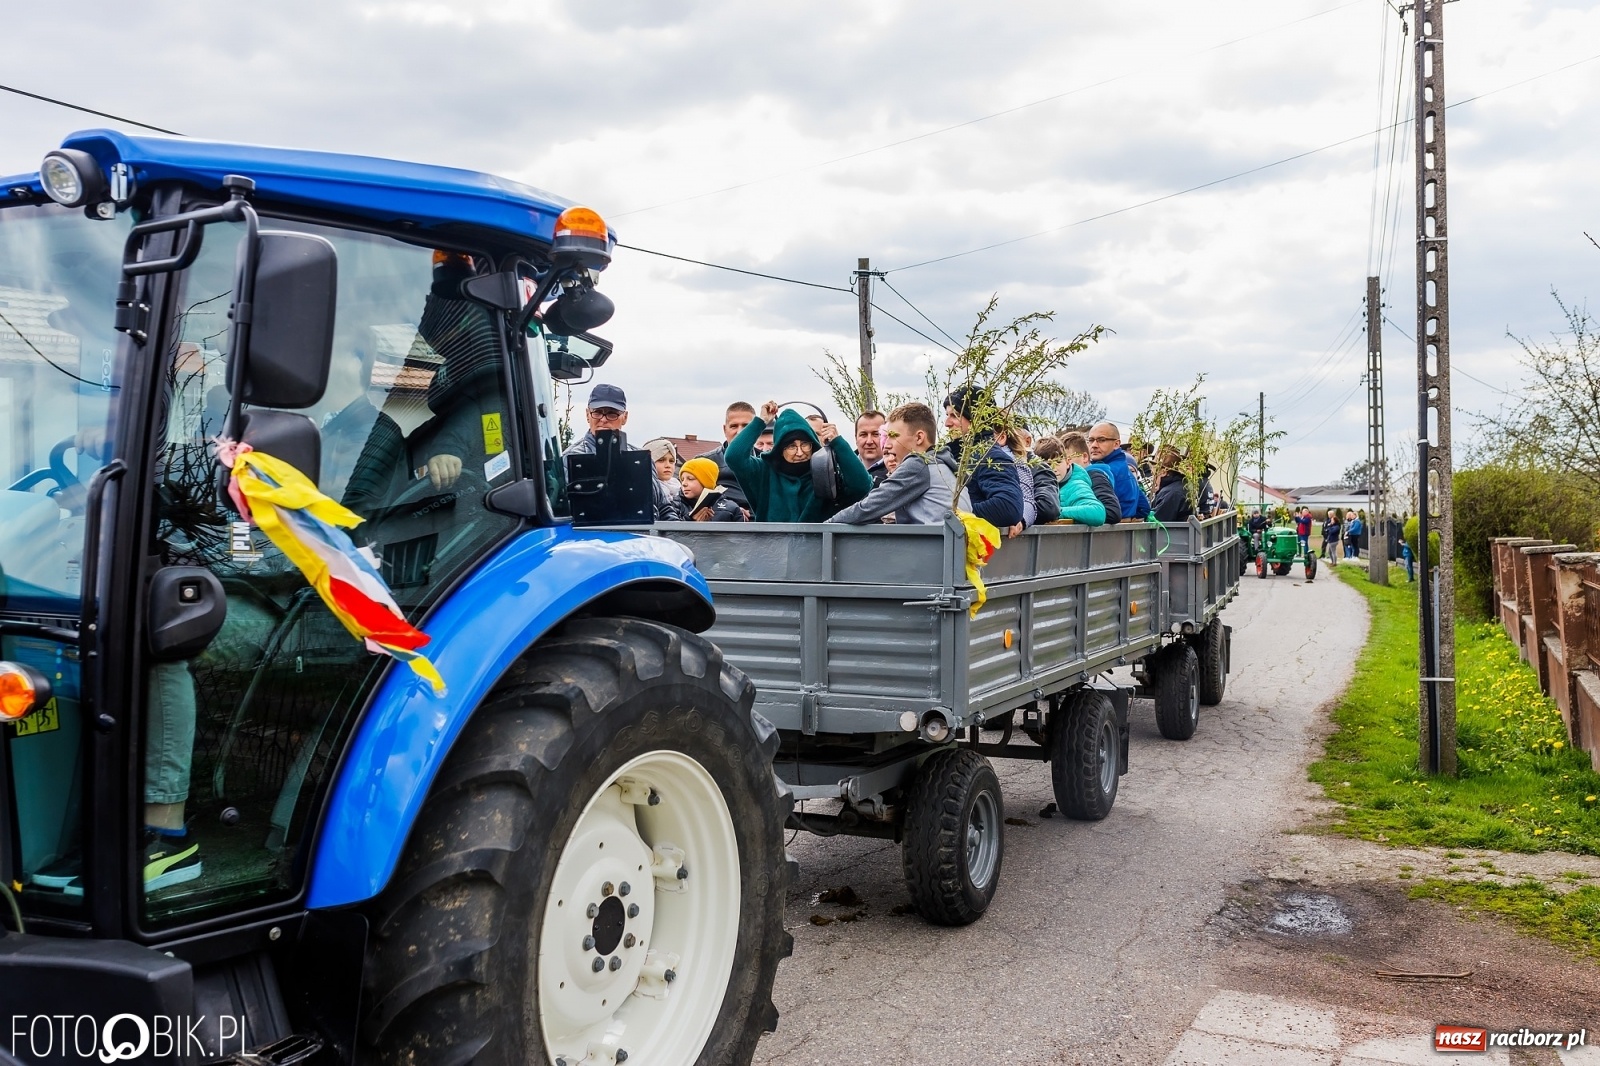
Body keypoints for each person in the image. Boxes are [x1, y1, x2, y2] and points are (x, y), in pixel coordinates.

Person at [727, 401, 872, 522]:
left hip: (821, 552)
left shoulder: (827, 472)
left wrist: (839, 443)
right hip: (773, 552)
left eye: (805, 444)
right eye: (791, 446)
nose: (800, 452)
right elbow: (734, 457)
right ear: (779, 449)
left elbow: (861, 486)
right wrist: (760, 422)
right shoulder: (763, 471)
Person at [562, 383, 686, 521]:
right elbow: (564, 513)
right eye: (597, 412)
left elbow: (664, 507)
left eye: (612, 414)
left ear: (625, 417)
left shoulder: (642, 458)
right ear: (587, 415)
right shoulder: (569, 460)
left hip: (644, 539)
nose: (603, 419)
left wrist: (675, 534)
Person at [828, 402, 955, 525]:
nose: (887, 445)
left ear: (919, 438)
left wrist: (824, 528)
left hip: (933, 546)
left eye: (893, 436)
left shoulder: (919, 464)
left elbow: (870, 507)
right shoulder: (941, 463)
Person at [937, 386, 1024, 528]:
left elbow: (1008, 506)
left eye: (955, 415)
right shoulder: (951, 455)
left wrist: (955, 515)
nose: (947, 423)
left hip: (968, 547)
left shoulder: (990, 457)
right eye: (947, 415)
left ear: (976, 419)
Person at [1035, 436, 1106, 526]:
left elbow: (1097, 513)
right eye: (1047, 465)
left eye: (1057, 462)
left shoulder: (1076, 486)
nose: (1054, 468)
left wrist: (1054, 512)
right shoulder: (1037, 486)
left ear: (1068, 462)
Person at [1086, 422, 1150, 520]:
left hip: (1102, 532)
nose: (1094, 445)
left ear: (1116, 444)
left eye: (1101, 440)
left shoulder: (1100, 471)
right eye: (1091, 440)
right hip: (1125, 532)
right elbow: (1144, 507)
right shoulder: (1127, 470)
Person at [702, 402, 755, 513]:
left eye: (746, 426)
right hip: (722, 525)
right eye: (734, 426)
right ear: (725, 429)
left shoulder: (768, 462)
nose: (739, 432)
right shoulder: (705, 463)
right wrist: (729, 509)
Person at [1060, 431, 1120, 522]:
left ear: (1084, 457)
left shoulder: (1094, 476)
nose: (1064, 464)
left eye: (1068, 459)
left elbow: (1112, 512)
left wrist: (1063, 513)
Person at [679, 456, 746, 522]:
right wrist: (690, 520)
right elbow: (672, 532)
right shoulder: (674, 506)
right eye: (682, 479)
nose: (684, 484)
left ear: (707, 481)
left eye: (690, 479)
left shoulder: (731, 509)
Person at [1149, 446, 1194, 523]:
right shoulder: (1180, 487)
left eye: (1154, 473)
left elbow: (1154, 523)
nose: (1153, 477)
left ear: (1163, 472)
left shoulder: (1171, 494)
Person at [855, 410, 889, 486]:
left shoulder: (896, 473)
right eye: (863, 434)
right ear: (856, 438)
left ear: (886, 437)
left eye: (876, 434)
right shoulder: (842, 469)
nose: (869, 441)